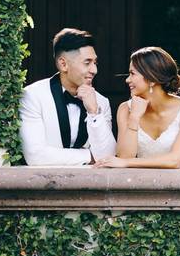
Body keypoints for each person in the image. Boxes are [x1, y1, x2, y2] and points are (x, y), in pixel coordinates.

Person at [19, 28, 116, 165]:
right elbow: (36, 156)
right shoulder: (33, 96)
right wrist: (90, 155)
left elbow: (108, 156)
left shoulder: (101, 102)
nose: (94, 70)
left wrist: (94, 113)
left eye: (95, 63)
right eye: (87, 63)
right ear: (63, 64)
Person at [96, 46, 180, 169]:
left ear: (151, 79)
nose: (127, 80)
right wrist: (134, 117)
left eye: (132, 74)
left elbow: (174, 160)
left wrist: (128, 163)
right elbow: (124, 157)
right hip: (143, 183)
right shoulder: (124, 109)